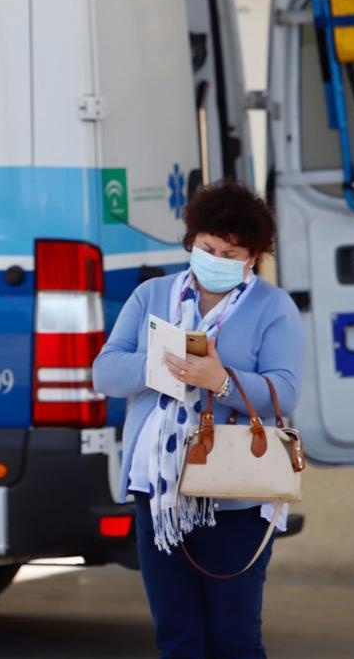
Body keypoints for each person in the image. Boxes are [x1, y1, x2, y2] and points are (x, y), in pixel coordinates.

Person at [92, 180, 305, 659]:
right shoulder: (152, 295)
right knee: (176, 638)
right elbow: (105, 372)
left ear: (252, 259)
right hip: (160, 495)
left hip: (236, 498)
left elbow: (284, 391)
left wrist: (220, 380)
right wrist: (163, 364)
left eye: (233, 253)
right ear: (191, 241)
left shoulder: (274, 308)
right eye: (210, 247)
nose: (218, 259)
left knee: (234, 638)